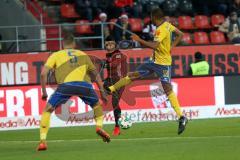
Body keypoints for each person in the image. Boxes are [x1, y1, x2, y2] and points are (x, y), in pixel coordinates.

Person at [107, 8, 188, 135]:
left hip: (163, 65)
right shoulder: (167, 25)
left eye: (151, 18)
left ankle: (181, 117)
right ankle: (111, 88)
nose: (151, 20)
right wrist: (171, 47)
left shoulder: (160, 29)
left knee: (167, 89)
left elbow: (155, 46)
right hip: (153, 61)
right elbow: (180, 34)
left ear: (155, 17)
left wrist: (139, 40)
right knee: (134, 75)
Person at [37, 34, 110, 151]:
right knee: (97, 106)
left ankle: (42, 141)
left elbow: (43, 74)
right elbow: (95, 75)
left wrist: (44, 92)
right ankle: (99, 127)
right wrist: (102, 92)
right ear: (74, 44)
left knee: (48, 110)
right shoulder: (82, 54)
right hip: (84, 85)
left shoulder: (56, 55)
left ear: (62, 44)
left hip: (66, 86)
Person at [103, 36, 127, 136]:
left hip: (119, 82)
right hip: (109, 81)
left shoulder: (118, 55)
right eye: (107, 44)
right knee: (101, 88)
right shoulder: (108, 55)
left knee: (114, 102)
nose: (109, 46)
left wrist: (104, 63)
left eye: (111, 44)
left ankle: (117, 126)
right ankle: (120, 118)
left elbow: (114, 65)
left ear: (115, 45)